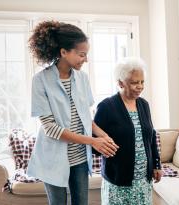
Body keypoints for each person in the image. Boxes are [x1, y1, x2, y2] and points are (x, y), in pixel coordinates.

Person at [26, 20, 119, 205]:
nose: (86, 59)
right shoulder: (40, 80)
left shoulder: (82, 78)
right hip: (53, 159)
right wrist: (93, 141)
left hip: (80, 159)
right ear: (63, 52)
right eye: (82, 54)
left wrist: (104, 136)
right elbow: (51, 129)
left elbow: (86, 119)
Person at [94, 57, 162, 205]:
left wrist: (157, 164)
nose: (140, 86)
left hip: (143, 180)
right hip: (119, 182)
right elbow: (94, 142)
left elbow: (151, 136)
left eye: (142, 82)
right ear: (120, 83)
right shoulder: (107, 107)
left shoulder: (144, 105)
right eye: (134, 82)